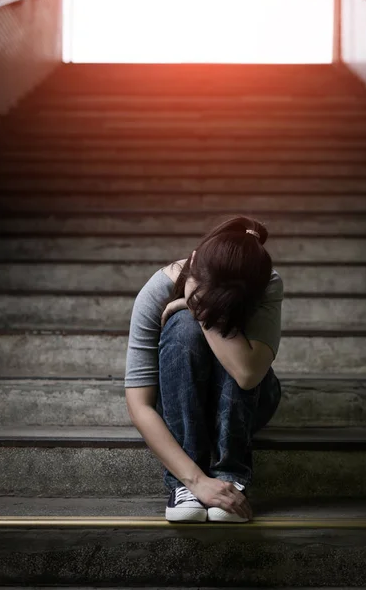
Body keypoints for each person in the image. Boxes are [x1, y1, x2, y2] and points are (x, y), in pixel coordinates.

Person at [125, 214, 283, 523]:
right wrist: (195, 480)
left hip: (250, 399)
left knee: (193, 320)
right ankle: (187, 489)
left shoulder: (267, 282)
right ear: (194, 260)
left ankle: (229, 476)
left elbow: (248, 375)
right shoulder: (158, 288)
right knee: (182, 326)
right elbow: (139, 405)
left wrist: (198, 307)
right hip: (177, 405)